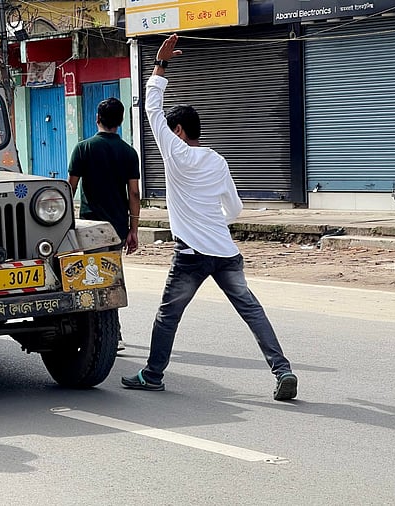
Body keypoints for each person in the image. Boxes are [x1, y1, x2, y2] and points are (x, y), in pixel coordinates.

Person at [121, 34, 298, 401]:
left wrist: (161, 66)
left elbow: (152, 108)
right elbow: (234, 210)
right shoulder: (217, 160)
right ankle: (282, 370)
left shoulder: (175, 153)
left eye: (171, 131)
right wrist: (213, 221)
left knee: (167, 317)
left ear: (179, 131)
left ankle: (153, 375)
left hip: (191, 255)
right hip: (224, 251)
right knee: (252, 311)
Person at [67, 97, 140, 352]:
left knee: (93, 276)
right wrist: (133, 229)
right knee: (110, 276)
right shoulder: (129, 152)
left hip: (90, 227)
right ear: (121, 121)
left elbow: (71, 187)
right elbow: (134, 194)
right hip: (117, 227)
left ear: (96, 118)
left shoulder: (83, 148)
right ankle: (113, 332)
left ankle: (101, 333)